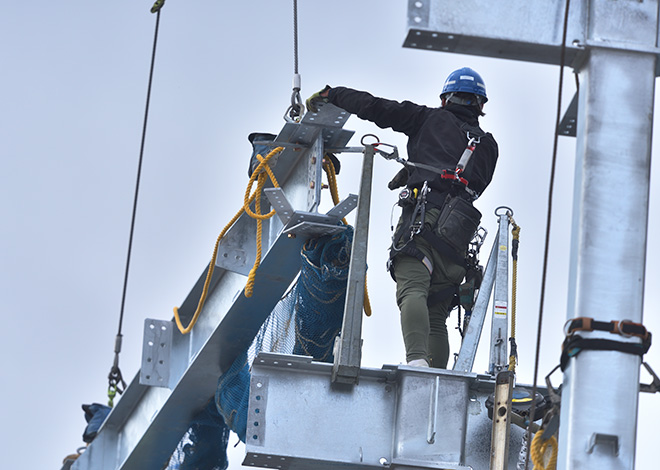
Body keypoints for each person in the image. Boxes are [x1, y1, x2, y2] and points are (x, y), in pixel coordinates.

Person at [307, 67, 499, 368]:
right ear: (480, 105)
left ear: (446, 98)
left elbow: (376, 108)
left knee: (413, 289)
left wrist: (333, 94)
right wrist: (416, 170)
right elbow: (471, 184)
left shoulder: (427, 118)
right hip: (459, 236)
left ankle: (417, 362)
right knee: (436, 312)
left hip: (423, 222)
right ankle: (436, 374)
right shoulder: (488, 146)